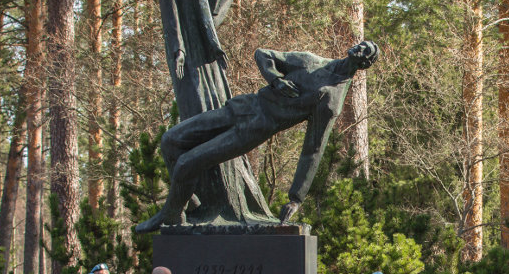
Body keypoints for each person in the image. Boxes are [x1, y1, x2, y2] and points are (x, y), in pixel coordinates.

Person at [52, 0, 272, 225]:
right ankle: (200, 198)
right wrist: (178, 50)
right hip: (184, 55)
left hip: (204, 51)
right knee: (195, 115)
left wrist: (214, 45)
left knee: (219, 110)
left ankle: (227, 198)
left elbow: (201, 4)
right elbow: (169, 9)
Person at [135, 40, 380, 232]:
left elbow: (313, 149)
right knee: (170, 141)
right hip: (243, 106)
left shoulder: (330, 100)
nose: (358, 49)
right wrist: (275, 80)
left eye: (365, 51)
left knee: (187, 163)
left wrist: (296, 198)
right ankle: (185, 207)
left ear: (365, 64)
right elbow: (263, 54)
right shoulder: (312, 62)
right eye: (360, 44)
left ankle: (171, 214)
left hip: (254, 129)